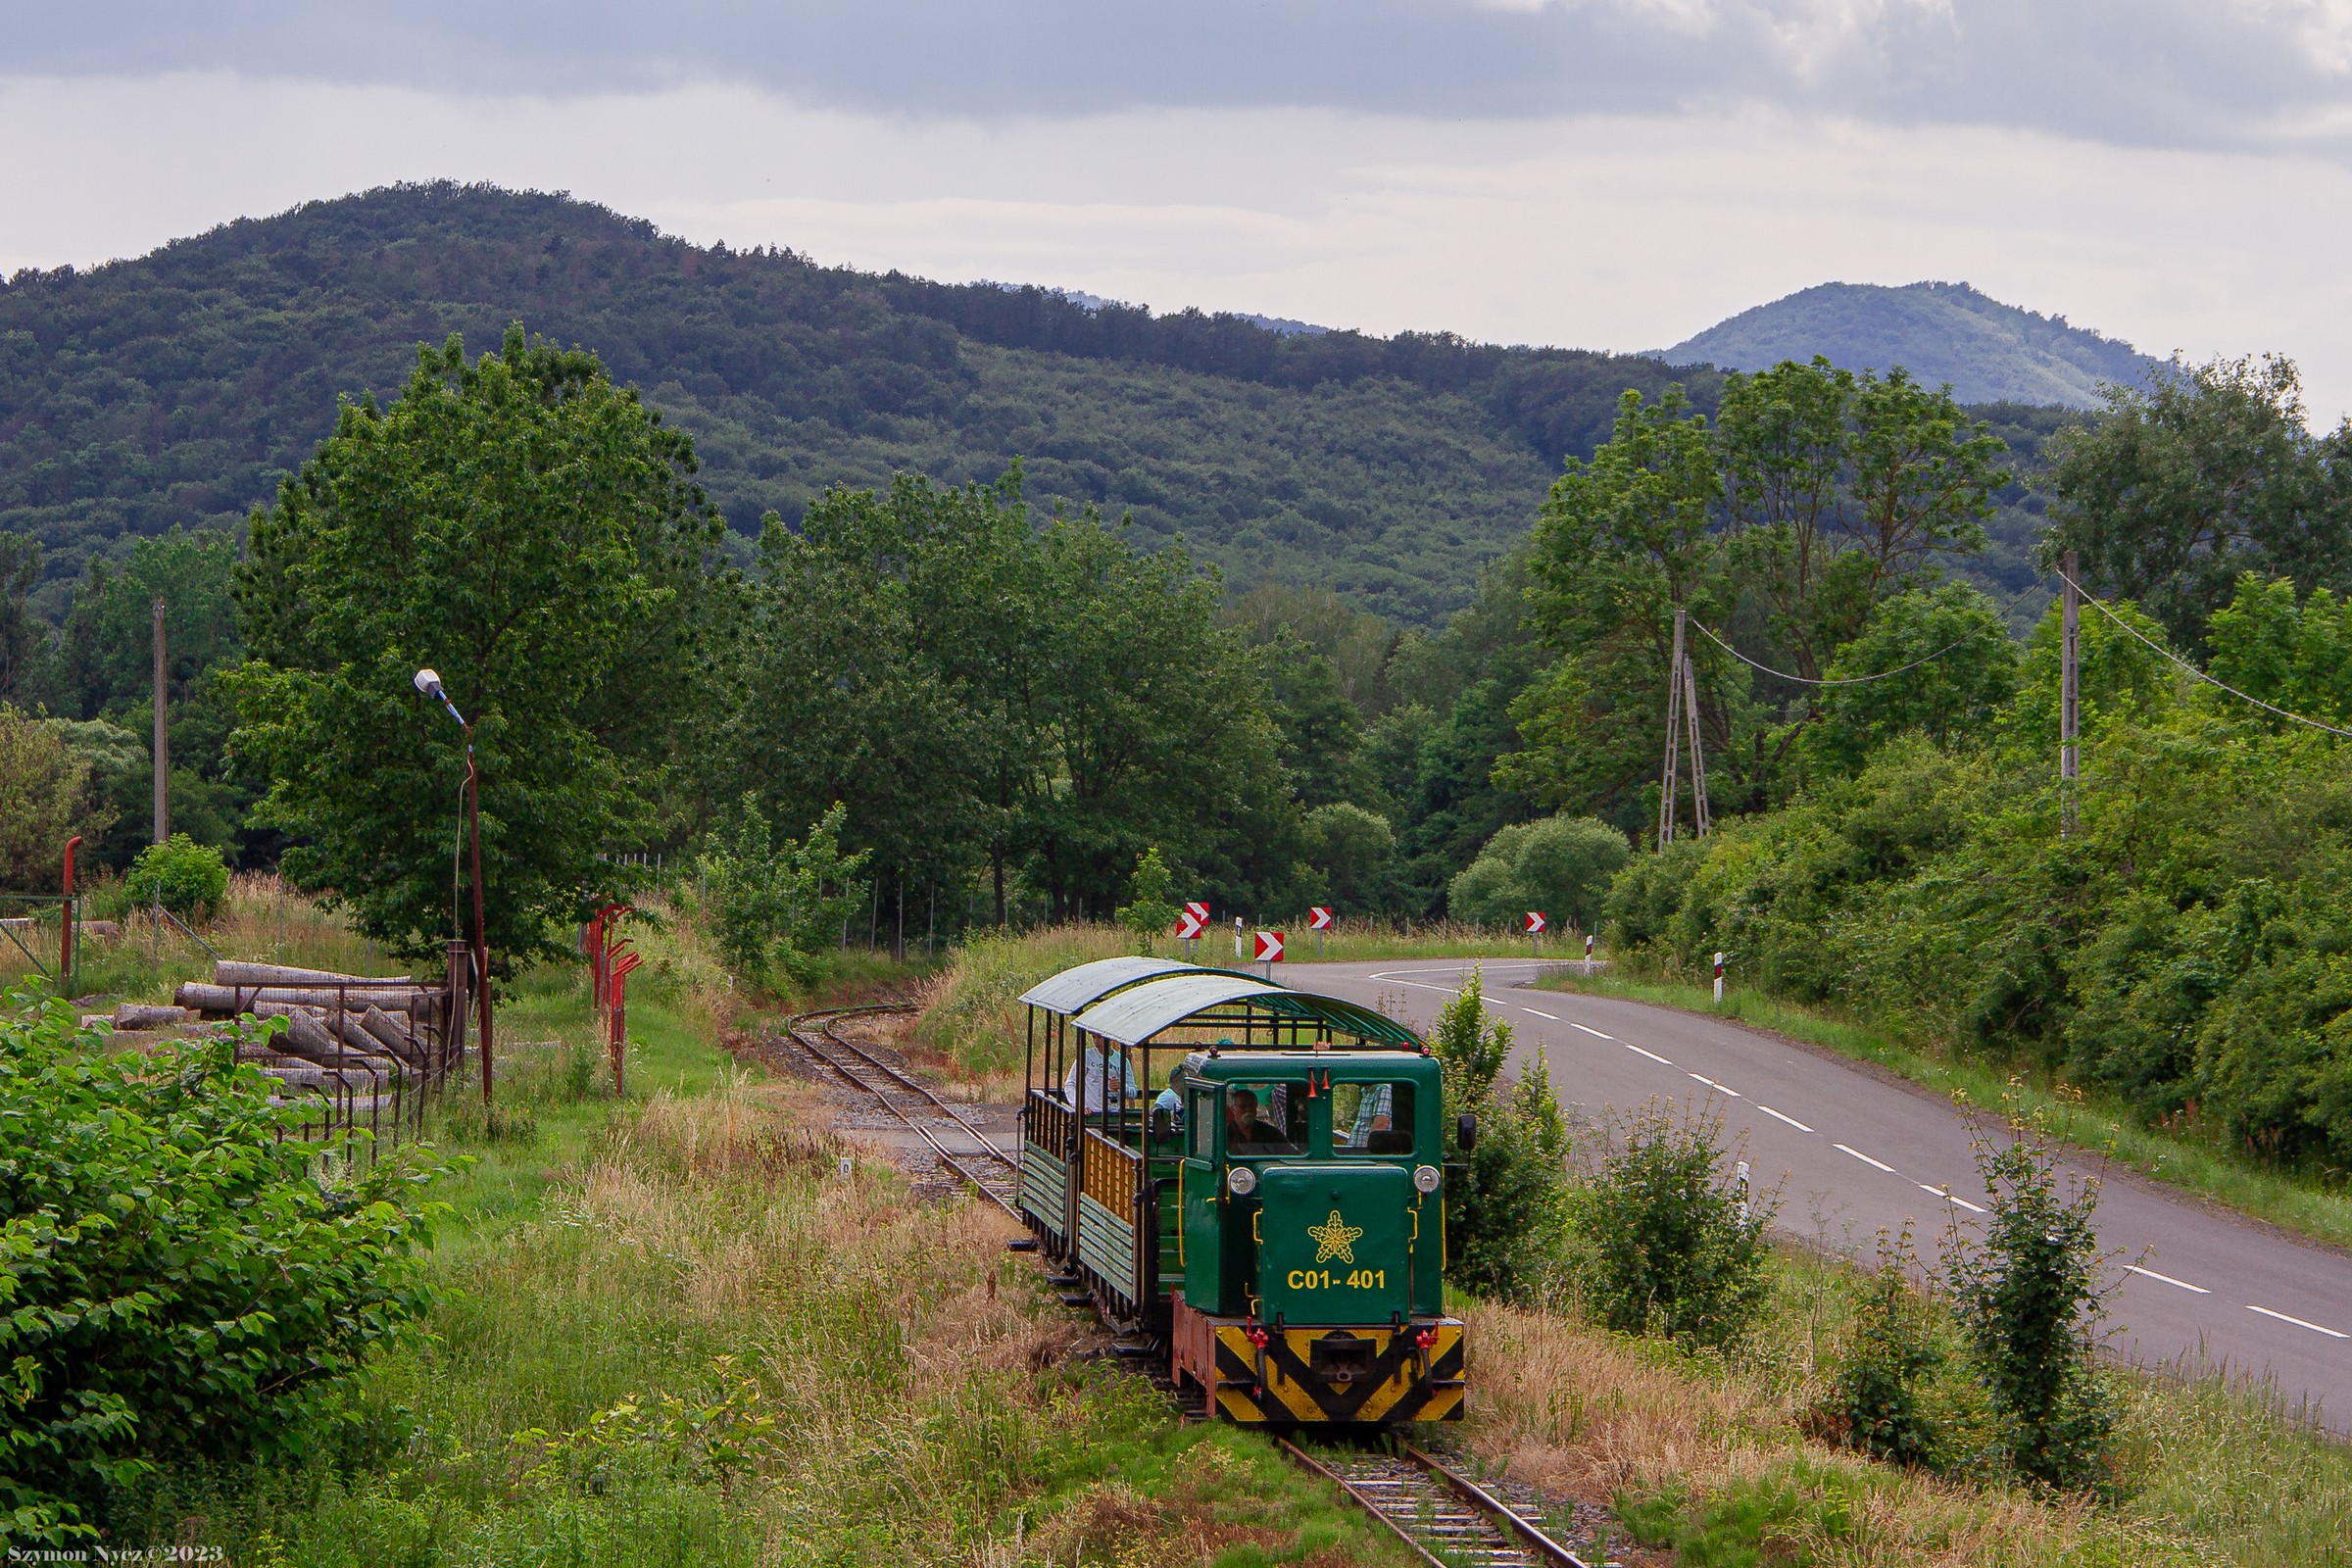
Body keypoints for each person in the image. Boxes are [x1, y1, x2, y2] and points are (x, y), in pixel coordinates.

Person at [1061, 1040, 1140, 1114]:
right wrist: (1079, 1105)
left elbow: (1133, 1092)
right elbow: (1070, 1084)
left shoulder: (1122, 1061)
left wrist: (1122, 1086)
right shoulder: (1086, 1056)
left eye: (1099, 1037)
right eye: (1094, 1037)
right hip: (1091, 1114)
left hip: (1114, 1115)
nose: (1096, 1041)